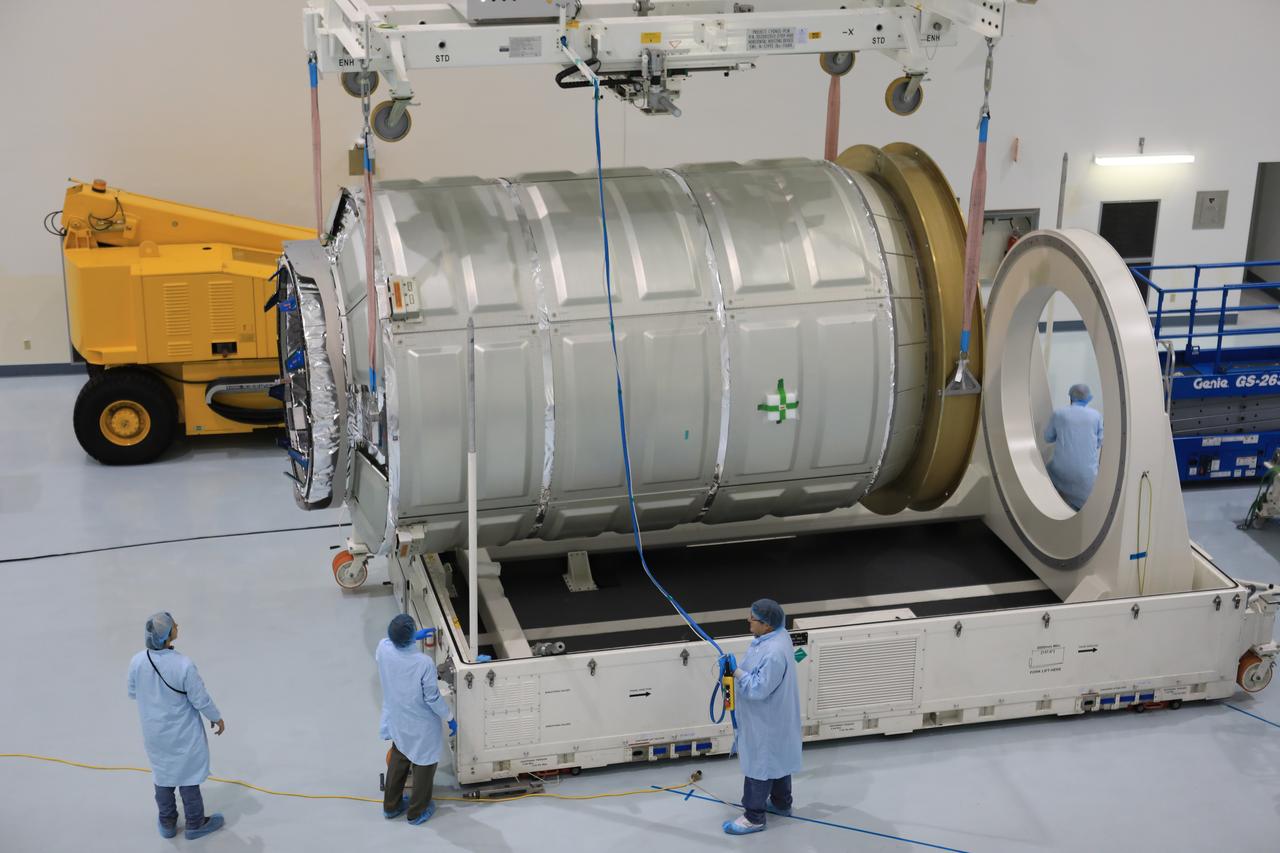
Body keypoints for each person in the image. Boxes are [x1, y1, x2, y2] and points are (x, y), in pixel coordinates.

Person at [127, 612, 226, 840]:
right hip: (182, 733)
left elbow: (132, 692)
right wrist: (216, 717)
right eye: (173, 625)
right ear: (166, 637)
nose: (177, 625)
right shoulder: (183, 665)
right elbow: (200, 699)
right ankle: (195, 823)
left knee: (163, 775)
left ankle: (167, 822)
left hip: (154, 733)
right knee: (188, 777)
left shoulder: (137, 661)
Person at [722, 598, 802, 836]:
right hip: (775, 717)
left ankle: (754, 817)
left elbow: (758, 689)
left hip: (765, 720)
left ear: (767, 624)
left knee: (759, 765)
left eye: (753, 618)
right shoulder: (777, 636)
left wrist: (736, 672)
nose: (748, 620)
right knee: (778, 760)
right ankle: (781, 802)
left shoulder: (774, 652)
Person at [377, 613, 456, 825]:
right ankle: (417, 811)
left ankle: (391, 807)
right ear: (410, 635)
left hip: (398, 717)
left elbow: (388, 641)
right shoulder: (423, 663)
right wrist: (449, 717)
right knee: (424, 764)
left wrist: (412, 638)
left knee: (399, 755)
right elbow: (432, 698)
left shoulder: (384, 649)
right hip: (421, 724)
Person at [1044, 383, 1104, 511]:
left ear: (1070, 397)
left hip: (1060, 473)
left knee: (1046, 472)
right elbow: (1099, 443)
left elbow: (1047, 438)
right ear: (1088, 398)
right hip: (1086, 480)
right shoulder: (1096, 416)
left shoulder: (1059, 414)